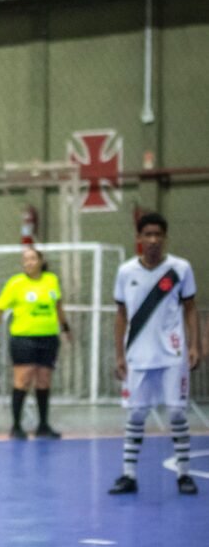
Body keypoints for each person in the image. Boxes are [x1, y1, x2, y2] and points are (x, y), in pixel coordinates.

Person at [109, 212, 200, 495]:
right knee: (136, 414)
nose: (152, 240)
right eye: (147, 234)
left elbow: (190, 309)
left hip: (173, 353)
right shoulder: (126, 272)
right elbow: (121, 315)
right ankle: (129, 474)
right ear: (138, 238)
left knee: (176, 413)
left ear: (165, 237)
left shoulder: (180, 269)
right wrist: (120, 355)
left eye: (157, 234)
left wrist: (195, 345)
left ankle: (184, 474)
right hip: (138, 355)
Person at [0, 246, 71, 439]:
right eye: (25, 260)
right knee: (23, 379)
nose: (29, 262)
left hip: (48, 337)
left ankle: (43, 425)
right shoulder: (16, 283)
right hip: (23, 338)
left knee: (44, 380)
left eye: (32, 258)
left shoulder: (51, 280)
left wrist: (66, 328)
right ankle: (16, 426)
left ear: (41, 261)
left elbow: (58, 307)